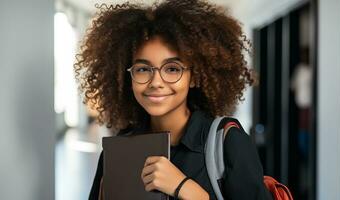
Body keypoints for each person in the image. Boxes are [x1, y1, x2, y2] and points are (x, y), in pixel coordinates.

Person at [74, 0, 273, 199]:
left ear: (194, 77)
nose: (156, 82)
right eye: (143, 69)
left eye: (172, 69)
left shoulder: (228, 142)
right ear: (128, 78)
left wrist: (185, 188)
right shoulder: (118, 150)